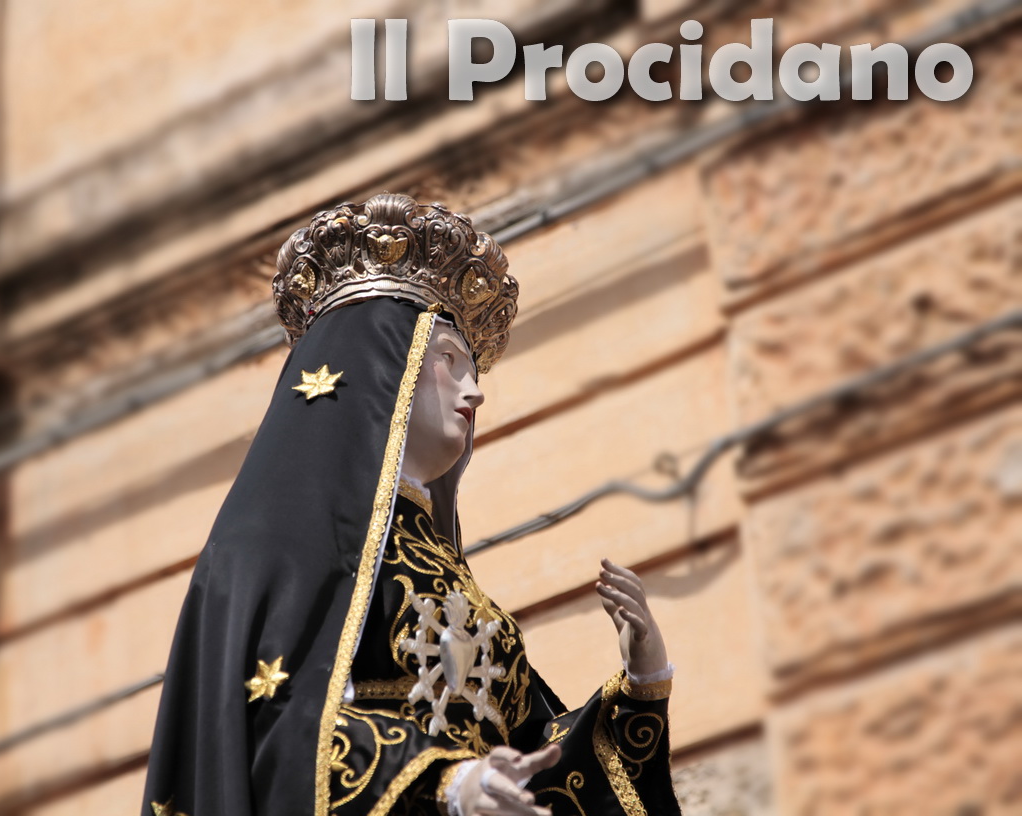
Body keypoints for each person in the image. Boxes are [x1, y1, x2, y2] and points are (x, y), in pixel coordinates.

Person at [141, 193, 681, 816]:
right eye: (449, 361)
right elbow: (280, 727)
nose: (474, 393)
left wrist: (642, 684)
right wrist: (448, 783)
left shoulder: (448, 572)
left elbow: (534, 761)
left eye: (471, 369)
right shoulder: (279, 546)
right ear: (380, 370)